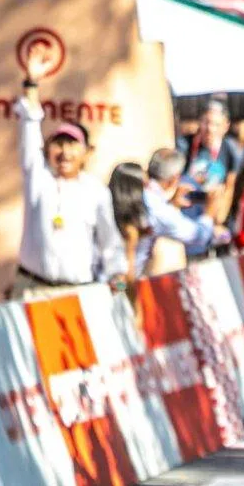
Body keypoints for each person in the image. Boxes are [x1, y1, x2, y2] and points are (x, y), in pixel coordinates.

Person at [12, 46, 127, 299]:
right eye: (59, 144)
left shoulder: (95, 191)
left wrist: (117, 277)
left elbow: (110, 243)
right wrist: (31, 84)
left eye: (73, 145)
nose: (65, 152)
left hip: (76, 293)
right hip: (33, 289)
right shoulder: (38, 178)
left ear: (87, 152)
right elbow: (29, 129)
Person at [139, 148, 221, 275]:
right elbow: (199, 236)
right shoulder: (161, 211)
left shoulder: (144, 194)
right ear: (174, 178)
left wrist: (172, 204)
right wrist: (209, 213)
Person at [178, 99, 244, 225]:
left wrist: (219, 220)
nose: (210, 129)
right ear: (200, 122)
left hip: (213, 208)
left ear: (226, 126)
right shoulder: (184, 145)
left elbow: (229, 187)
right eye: (206, 122)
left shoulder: (231, 150)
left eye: (216, 124)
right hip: (186, 206)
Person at [108, 162, 149, 290]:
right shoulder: (130, 228)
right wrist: (131, 297)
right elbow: (128, 269)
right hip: (120, 287)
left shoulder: (109, 213)